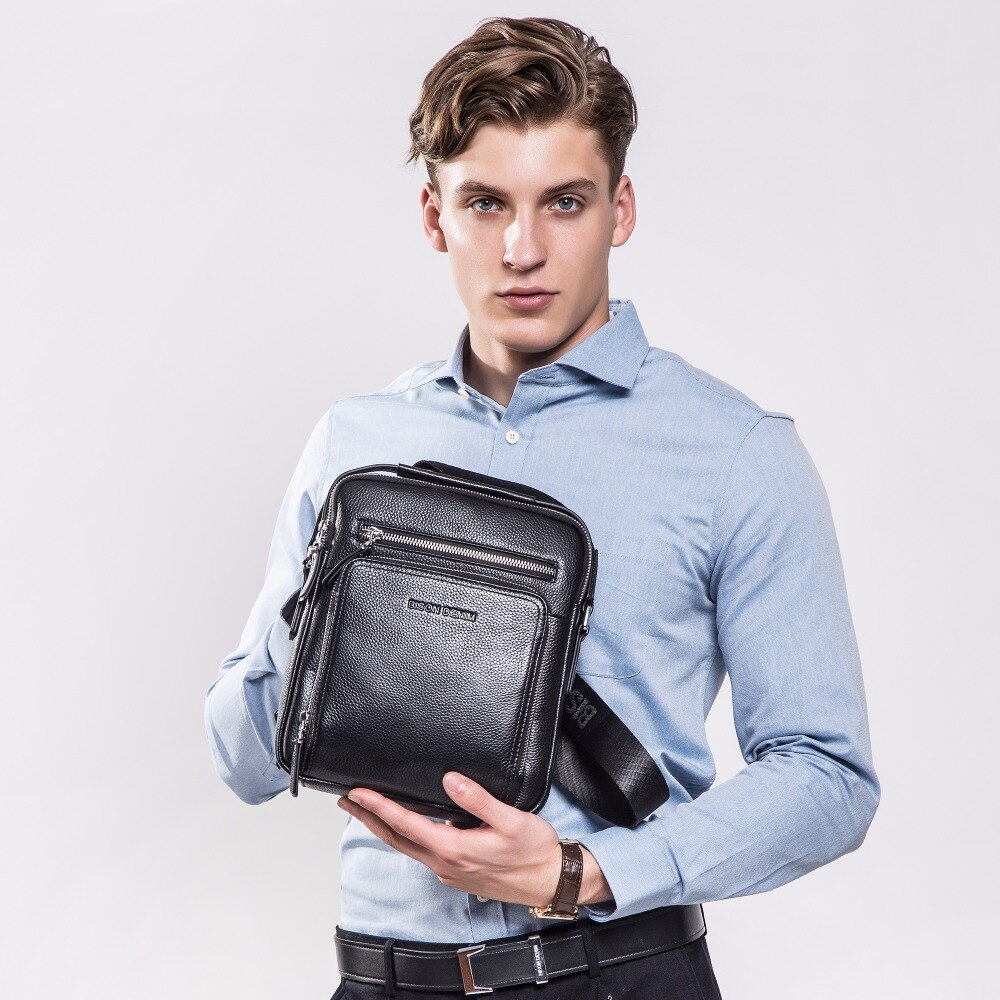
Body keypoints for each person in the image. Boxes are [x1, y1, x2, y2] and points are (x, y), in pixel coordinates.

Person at [203, 16, 880, 1000]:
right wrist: (329, 600)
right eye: (485, 203)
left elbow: (828, 776)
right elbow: (240, 757)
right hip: (380, 981)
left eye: (564, 202)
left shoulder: (738, 453)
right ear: (434, 217)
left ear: (620, 209)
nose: (522, 248)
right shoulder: (355, 442)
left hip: (618, 973)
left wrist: (581, 872)